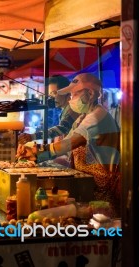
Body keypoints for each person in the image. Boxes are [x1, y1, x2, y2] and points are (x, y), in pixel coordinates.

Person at [17, 73, 121, 216]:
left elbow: (68, 144)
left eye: (74, 94)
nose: (71, 99)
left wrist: (36, 152)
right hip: (91, 183)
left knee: (102, 227)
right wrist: (36, 150)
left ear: (90, 94)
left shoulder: (97, 116)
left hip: (103, 188)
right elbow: (68, 139)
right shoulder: (84, 116)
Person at [19, 75, 79, 144]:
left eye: (54, 93)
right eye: (50, 95)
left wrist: (33, 136)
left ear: (65, 91)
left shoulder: (72, 109)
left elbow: (62, 128)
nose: (51, 98)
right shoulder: (64, 109)